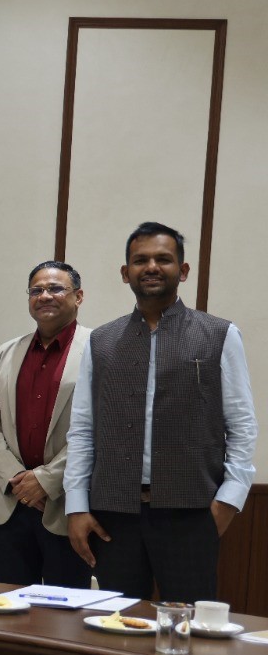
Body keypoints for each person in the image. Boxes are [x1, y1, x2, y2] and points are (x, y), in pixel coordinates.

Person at [65, 222, 256, 602]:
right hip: (113, 515)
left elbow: (241, 424)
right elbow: (83, 429)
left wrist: (229, 500)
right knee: (116, 627)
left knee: (187, 631)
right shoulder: (101, 341)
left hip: (192, 514)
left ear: (182, 271)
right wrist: (76, 506)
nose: (151, 267)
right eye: (141, 260)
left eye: (163, 259)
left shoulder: (219, 334)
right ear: (126, 273)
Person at [0, 261, 93, 587]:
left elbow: (99, 431)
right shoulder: (7, 352)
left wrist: (44, 480)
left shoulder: (98, 349)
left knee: (64, 617)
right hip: (13, 504)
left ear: (78, 296)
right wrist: (18, 480)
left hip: (66, 506)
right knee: (10, 610)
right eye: (36, 290)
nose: (45, 296)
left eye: (56, 288)